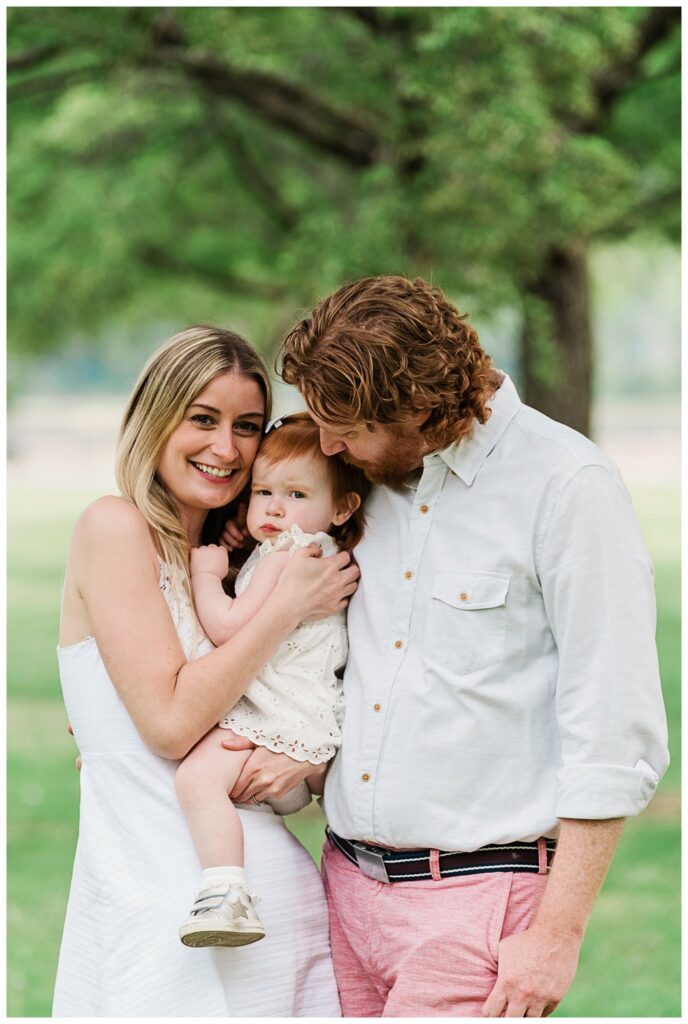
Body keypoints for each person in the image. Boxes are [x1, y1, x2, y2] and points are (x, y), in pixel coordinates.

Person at [229, 274, 668, 1017]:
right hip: (340, 889)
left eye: (346, 425)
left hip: (475, 911)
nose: (327, 443)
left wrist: (557, 933)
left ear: (422, 410)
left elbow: (614, 729)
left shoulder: (567, 485)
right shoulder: (360, 483)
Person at [55, 325, 358, 1017]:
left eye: (246, 426)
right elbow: (167, 726)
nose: (226, 448)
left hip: (261, 898)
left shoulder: (254, 561)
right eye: (202, 418)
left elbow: (307, 713)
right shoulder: (114, 528)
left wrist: (300, 763)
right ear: (153, 417)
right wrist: (283, 609)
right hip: (158, 899)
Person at [176, 414, 369, 948]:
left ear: (342, 507)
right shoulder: (312, 549)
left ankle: (226, 893)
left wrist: (206, 576)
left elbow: (230, 626)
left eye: (296, 493)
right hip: (302, 722)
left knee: (196, 781)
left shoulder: (291, 556)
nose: (275, 508)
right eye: (263, 491)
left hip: (274, 718)